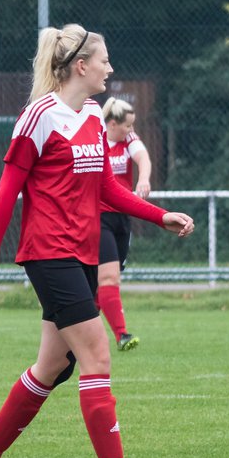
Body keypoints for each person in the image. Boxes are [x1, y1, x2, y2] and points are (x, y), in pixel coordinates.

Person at [0, 24, 195, 458]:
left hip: (81, 252)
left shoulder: (91, 112)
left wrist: (159, 215)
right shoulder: (38, 116)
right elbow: (8, 193)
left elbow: (106, 188)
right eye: (105, 60)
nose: (111, 68)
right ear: (80, 67)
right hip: (50, 253)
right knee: (97, 356)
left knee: (53, 366)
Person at [97, 96, 152, 351]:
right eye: (127, 126)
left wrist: (143, 179)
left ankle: (76, 328)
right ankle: (122, 335)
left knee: (106, 281)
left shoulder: (127, 140)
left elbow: (143, 158)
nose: (131, 130)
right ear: (112, 123)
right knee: (109, 278)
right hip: (99, 217)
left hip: (122, 216)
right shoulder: (96, 139)